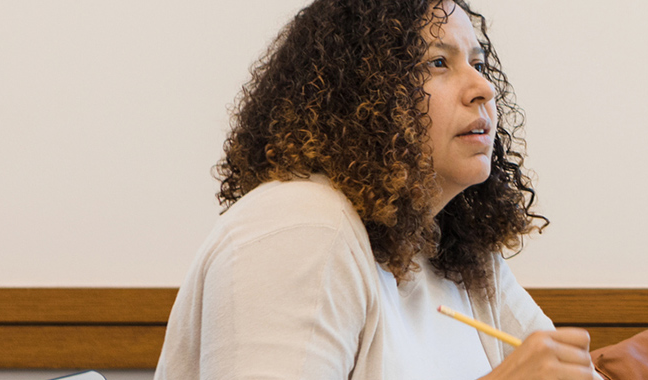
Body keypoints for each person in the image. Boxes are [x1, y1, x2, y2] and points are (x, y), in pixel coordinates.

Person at [154, 0, 593, 379]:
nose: (483, 88)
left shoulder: (458, 249)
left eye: (477, 64)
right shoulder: (299, 226)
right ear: (362, 92)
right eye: (438, 62)